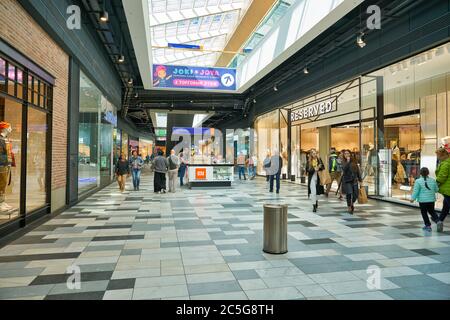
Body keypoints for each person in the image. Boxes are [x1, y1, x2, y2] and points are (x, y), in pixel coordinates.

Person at [411, 167, 439, 232]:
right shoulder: (433, 180)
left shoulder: (418, 181)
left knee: (424, 212)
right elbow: (436, 190)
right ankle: (438, 221)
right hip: (431, 200)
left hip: (422, 201)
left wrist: (412, 198)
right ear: (428, 173)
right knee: (432, 211)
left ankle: (428, 225)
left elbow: (416, 191)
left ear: (420, 173)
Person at [342, 150, 362, 214]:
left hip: (354, 180)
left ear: (350, 154)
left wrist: (360, 179)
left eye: (348, 153)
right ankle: (349, 207)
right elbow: (344, 170)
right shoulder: (343, 162)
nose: (347, 155)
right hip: (347, 180)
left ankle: (351, 203)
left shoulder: (354, 161)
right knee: (349, 193)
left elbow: (358, 170)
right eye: (345, 153)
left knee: (356, 194)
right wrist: (347, 162)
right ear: (344, 155)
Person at [435, 147, 450, 232]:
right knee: (446, 206)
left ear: (443, 155)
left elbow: (442, 176)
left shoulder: (446, 164)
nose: (438, 158)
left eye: (438, 156)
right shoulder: (446, 162)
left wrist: (436, 183)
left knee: (447, 205)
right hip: (447, 188)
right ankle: (439, 220)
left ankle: (439, 220)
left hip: (447, 189)